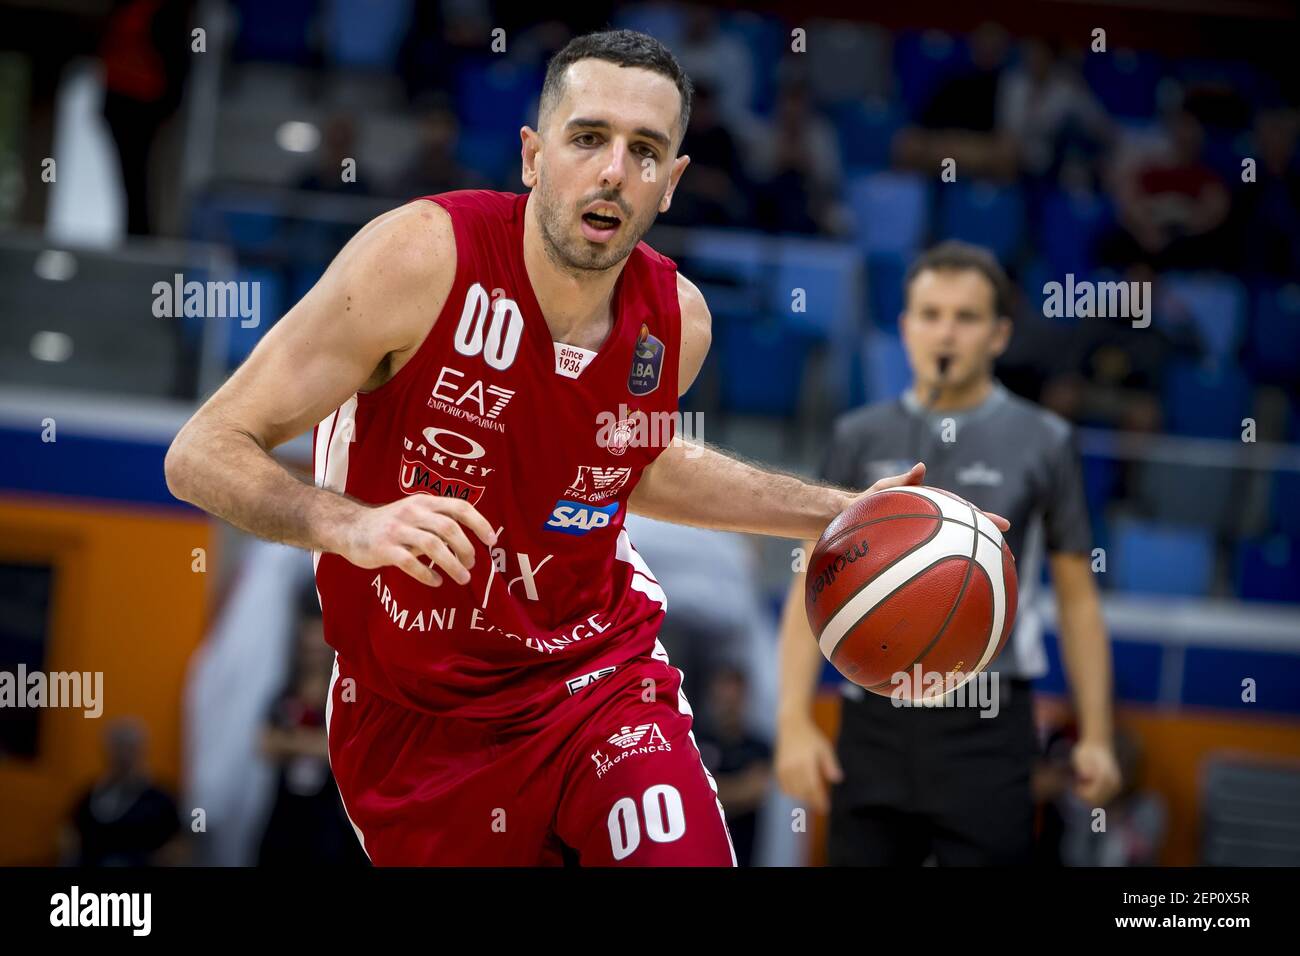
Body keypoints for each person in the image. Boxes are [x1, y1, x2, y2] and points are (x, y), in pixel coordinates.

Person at [165, 30, 1007, 867]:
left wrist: (843, 513)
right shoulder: (418, 258)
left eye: (645, 150)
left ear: (671, 182)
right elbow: (202, 450)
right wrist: (347, 526)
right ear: (533, 155)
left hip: (597, 680)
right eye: (589, 138)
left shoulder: (679, 323)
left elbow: (632, 460)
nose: (614, 170)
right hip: (414, 723)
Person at [774, 240, 1121, 866]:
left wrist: (1096, 735)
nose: (947, 332)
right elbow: (810, 588)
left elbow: (1077, 601)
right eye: (930, 315)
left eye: (966, 317)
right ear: (904, 329)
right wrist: (792, 721)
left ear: (998, 334)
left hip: (990, 724)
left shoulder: (1045, 440)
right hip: (873, 716)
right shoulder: (857, 436)